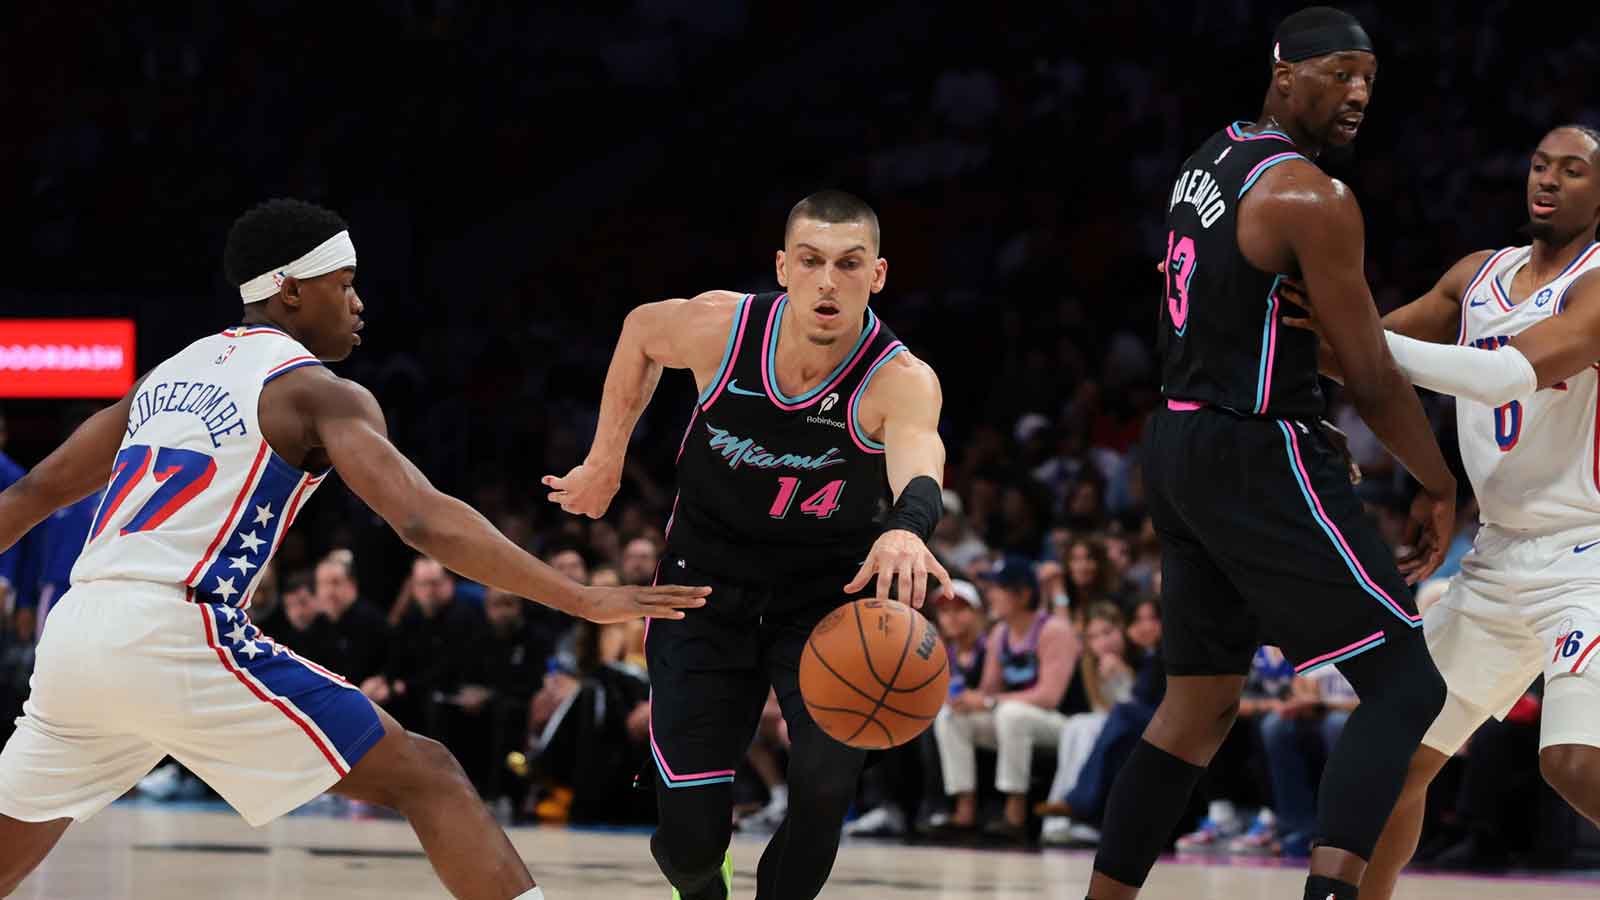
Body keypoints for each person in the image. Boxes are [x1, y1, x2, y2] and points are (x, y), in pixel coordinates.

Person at [0, 198, 708, 900]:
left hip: (77, 631)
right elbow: (422, 520)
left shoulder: (162, 377)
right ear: (290, 290)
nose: (359, 303)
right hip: (174, 627)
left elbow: (32, 493)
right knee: (428, 776)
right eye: (344, 284)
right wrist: (579, 597)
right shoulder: (315, 391)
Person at [1086, 10, 1456, 900]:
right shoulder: (1313, 198)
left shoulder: (1207, 160)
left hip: (1178, 440)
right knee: (1406, 688)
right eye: (1340, 72)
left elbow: (1232, 312)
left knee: (1197, 707)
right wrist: (1439, 482)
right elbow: (1370, 374)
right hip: (1254, 448)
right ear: (1284, 72)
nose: (1359, 92)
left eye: (1369, 78)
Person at [542, 190, 951, 900]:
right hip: (701, 586)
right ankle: (704, 873)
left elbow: (921, 459)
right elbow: (640, 331)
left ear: (878, 274)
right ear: (783, 267)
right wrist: (606, 458)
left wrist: (906, 529)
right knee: (689, 846)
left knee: (824, 793)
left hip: (824, 601)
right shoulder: (723, 329)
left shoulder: (899, 379)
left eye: (849, 264)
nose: (828, 282)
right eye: (811, 261)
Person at [1284, 124, 1600, 900]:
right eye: (1540, 165)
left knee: (1572, 763)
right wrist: (1259, 308)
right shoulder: (1476, 276)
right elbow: (1360, 358)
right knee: (1395, 757)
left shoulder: (1596, 284)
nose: (1548, 180)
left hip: (1587, 556)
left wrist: (1354, 331)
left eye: (1572, 171)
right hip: (1497, 555)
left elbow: (1498, 377)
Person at [931, 556, 1078, 841]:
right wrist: (969, 700)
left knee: (1011, 714)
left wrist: (990, 703)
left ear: (1023, 594)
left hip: (1063, 723)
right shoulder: (1000, 633)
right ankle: (964, 810)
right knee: (952, 717)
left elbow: (1050, 696)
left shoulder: (1054, 630)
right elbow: (989, 690)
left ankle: (1015, 814)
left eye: (998, 589)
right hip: (1014, 718)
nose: (991, 596)